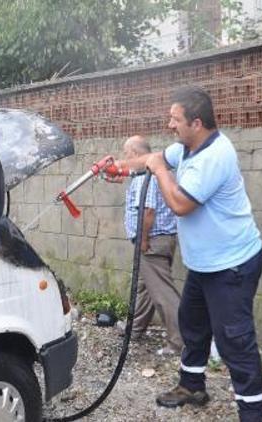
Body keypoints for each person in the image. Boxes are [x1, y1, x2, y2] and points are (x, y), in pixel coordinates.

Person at [115, 87, 262, 422]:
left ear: (196, 123)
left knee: (234, 340)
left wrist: (157, 168)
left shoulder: (215, 156)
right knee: (193, 324)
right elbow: (151, 159)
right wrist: (119, 168)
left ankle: (253, 413)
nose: (170, 124)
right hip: (204, 262)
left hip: (232, 264)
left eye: (175, 119)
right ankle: (191, 385)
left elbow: (181, 203)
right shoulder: (186, 147)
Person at [119, 135, 181, 356]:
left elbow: (148, 211)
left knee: (163, 293)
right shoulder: (157, 173)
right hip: (161, 238)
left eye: (126, 154)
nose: (125, 158)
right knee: (144, 287)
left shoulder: (147, 176)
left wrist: (143, 240)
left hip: (152, 241)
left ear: (135, 154)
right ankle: (134, 329)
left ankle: (180, 342)